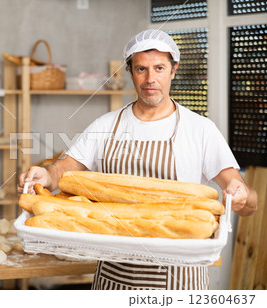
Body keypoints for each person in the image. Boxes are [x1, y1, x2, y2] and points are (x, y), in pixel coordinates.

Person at [17, 29, 258, 290]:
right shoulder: (106, 125)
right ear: (130, 72)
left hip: (180, 282)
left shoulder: (200, 129)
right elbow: (64, 170)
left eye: (159, 68)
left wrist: (242, 195)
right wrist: (46, 174)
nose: (150, 79)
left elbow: (247, 200)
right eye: (141, 69)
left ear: (173, 70)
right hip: (115, 279)